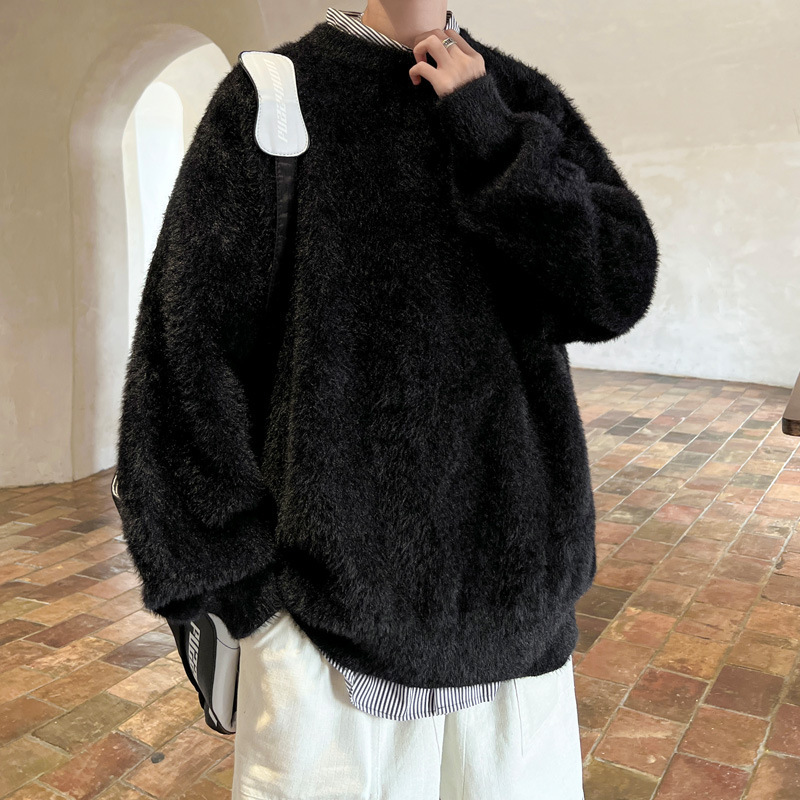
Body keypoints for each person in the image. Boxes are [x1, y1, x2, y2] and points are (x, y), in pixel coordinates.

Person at [113, 2, 659, 798]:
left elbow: (615, 287)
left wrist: (492, 137)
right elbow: (185, 361)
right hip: (322, 637)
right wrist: (247, 599)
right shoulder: (277, 96)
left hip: (515, 626)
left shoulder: (514, 98)